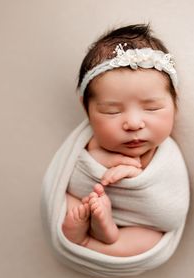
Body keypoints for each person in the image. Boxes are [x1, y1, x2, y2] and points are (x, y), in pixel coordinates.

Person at [62, 24, 187, 257]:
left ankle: (91, 243)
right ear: (85, 107)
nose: (133, 123)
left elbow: (169, 211)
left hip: (144, 221)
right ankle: (91, 225)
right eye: (112, 111)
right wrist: (100, 159)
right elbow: (71, 175)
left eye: (152, 108)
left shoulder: (164, 153)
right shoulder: (90, 143)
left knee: (150, 239)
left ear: (174, 101)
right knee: (66, 204)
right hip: (89, 201)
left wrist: (135, 175)